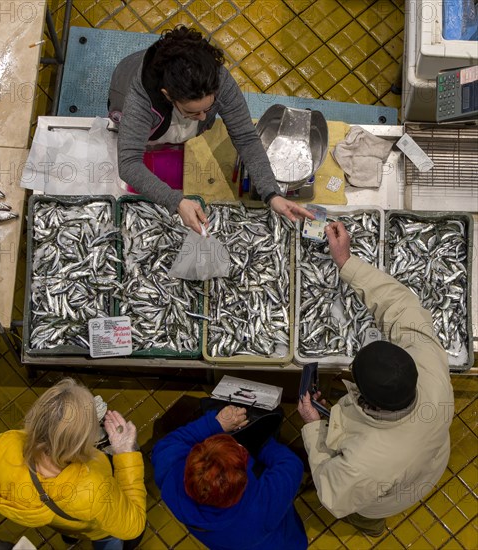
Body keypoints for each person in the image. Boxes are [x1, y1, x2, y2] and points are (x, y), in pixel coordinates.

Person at [298, 221, 454, 537]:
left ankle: (370, 525)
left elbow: (332, 493)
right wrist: (347, 262)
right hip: (432, 461)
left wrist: (314, 425)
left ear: (363, 398)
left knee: (368, 512)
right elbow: (401, 305)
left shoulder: (363, 465)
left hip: (386, 493)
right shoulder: (430, 367)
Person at [108, 25, 313, 234]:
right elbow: (129, 163)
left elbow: (245, 137)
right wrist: (176, 201)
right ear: (167, 95)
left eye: (208, 108)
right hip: (142, 111)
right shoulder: (136, 103)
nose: (204, 117)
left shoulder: (216, 79)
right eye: (193, 112)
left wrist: (272, 193)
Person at [0, 378, 146, 549]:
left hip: (62, 522)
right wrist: (125, 452)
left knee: (69, 526)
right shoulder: (92, 488)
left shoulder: (5, 443)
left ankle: (71, 538)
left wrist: (70, 427)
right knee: (109, 541)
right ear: (80, 443)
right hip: (96, 528)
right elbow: (134, 526)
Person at [151, 405, 308, 550]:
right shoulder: (263, 506)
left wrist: (216, 424)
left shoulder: (170, 473)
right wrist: (260, 442)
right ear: (240, 484)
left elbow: (171, 442)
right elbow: (291, 464)